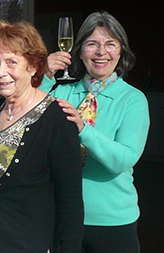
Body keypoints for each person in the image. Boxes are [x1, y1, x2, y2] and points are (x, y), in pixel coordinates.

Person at [0, 20, 84, 252]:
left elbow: (70, 202)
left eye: (11, 62)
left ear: (33, 67)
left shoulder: (56, 119)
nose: (1, 72)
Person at [43, 11, 148, 252]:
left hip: (113, 223)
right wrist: (44, 76)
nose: (101, 52)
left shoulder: (133, 99)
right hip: (63, 219)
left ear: (121, 51)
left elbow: (123, 159)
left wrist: (82, 129)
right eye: (92, 44)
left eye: (110, 44)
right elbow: (27, 116)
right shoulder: (61, 92)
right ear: (79, 51)